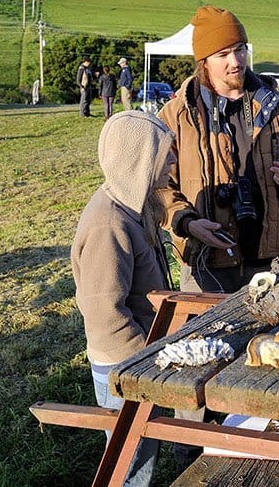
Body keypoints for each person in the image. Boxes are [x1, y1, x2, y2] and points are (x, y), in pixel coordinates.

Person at [158, 5, 279, 295]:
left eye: (240, 49)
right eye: (223, 54)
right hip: (205, 264)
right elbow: (159, 186)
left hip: (272, 258)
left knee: (273, 339)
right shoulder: (176, 116)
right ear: (204, 61)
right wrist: (187, 222)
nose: (235, 61)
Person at [71, 110, 177, 486]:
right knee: (131, 465)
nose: (173, 161)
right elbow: (104, 316)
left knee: (143, 453)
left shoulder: (134, 209)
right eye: (165, 154)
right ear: (139, 159)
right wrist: (145, 363)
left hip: (139, 359)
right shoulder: (108, 225)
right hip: (124, 366)